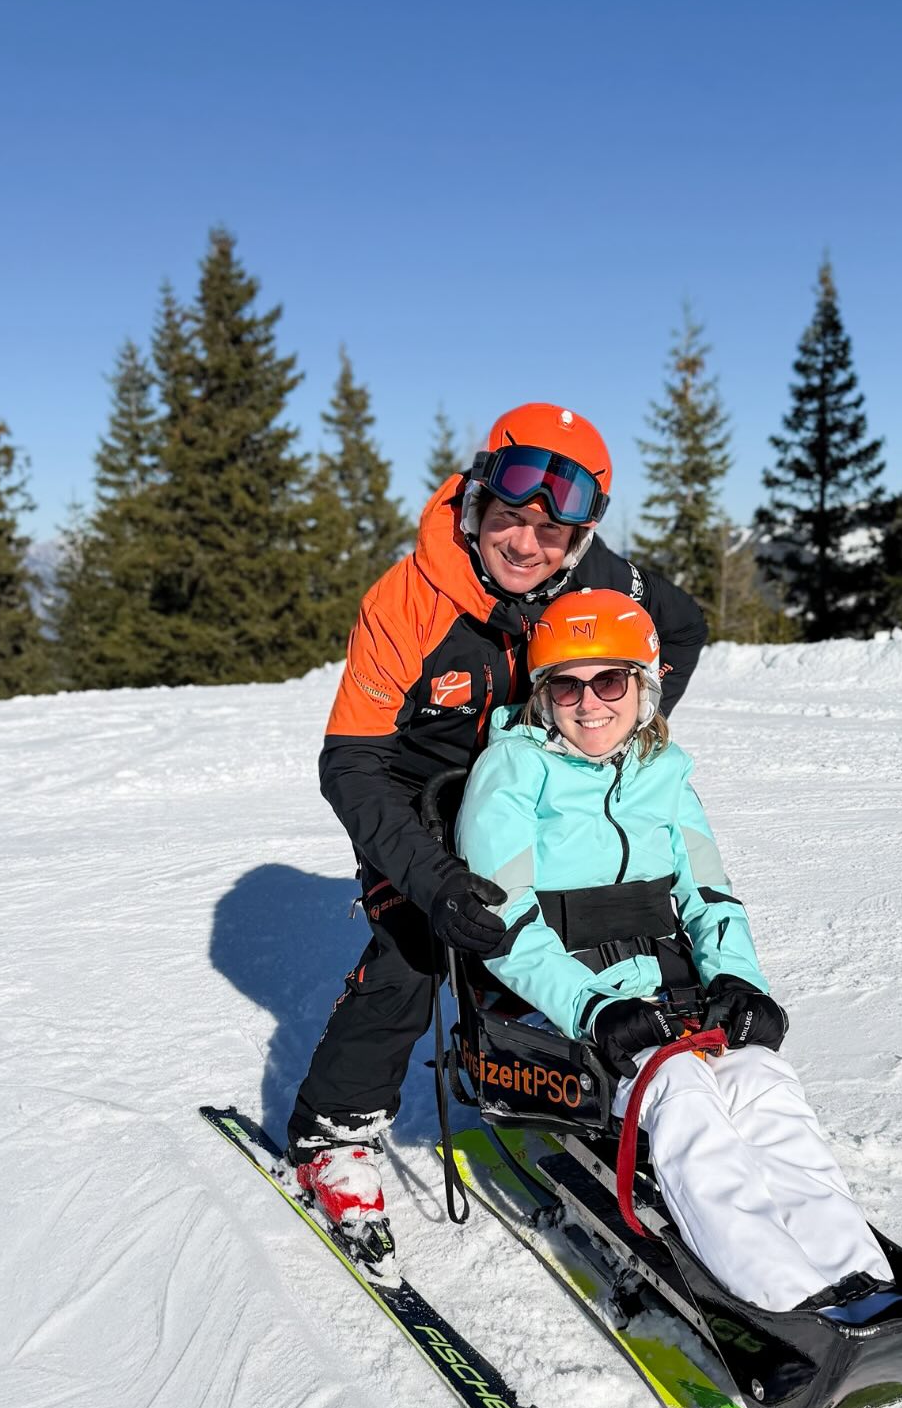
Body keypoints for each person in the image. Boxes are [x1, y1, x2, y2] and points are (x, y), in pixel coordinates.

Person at [289, 403, 709, 1266]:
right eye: (510, 520)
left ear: (581, 535)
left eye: (552, 532)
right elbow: (352, 765)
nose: (527, 545)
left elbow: (681, 627)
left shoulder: (604, 577)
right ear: (477, 501)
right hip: (420, 802)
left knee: (603, 908)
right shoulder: (405, 602)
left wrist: (611, 739)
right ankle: (331, 1133)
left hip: (532, 781)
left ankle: (587, 1080)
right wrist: (431, 878)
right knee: (417, 945)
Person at [454, 588, 901, 1319]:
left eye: (609, 681)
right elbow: (502, 926)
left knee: (761, 1080)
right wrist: (591, 1008)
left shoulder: (666, 774)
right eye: (565, 684)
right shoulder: (509, 773)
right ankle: (780, 1298)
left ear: (644, 686)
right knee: (682, 1096)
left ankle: (856, 1273)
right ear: (542, 696)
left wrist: (736, 981)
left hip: (666, 997)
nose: (588, 703)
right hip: (556, 1009)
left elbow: (708, 896)